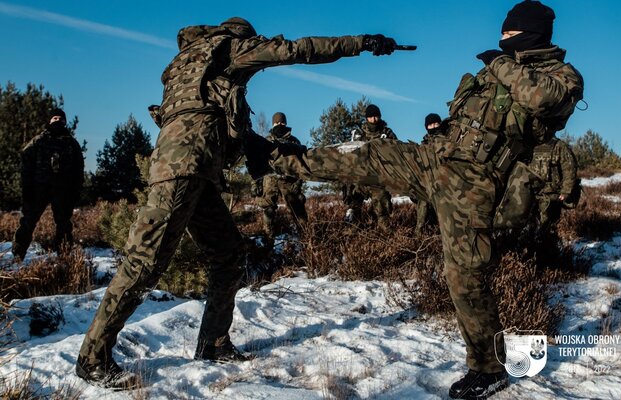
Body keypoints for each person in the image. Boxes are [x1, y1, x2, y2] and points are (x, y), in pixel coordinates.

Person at [270, 2, 583, 398]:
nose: (502, 40)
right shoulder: (494, 72)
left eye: (508, 34)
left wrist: (501, 63)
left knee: (465, 276)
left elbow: (541, 99)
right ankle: (279, 158)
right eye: (503, 35)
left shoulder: (561, 76)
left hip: (474, 181)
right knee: (369, 156)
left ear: (530, 34)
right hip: (434, 159)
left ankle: (489, 367)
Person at [75, 17, 398, 389]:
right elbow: (299, 50)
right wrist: (362, 41)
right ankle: (92, 357)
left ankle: (213, 343)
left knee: (228, 254)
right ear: (242, 36)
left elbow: (215, 117)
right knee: (144, 262)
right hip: (185, 169)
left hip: (195, 171)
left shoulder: (186, 62)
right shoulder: (231, 49)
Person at [12, 108, 84, 261]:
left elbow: (79, 169)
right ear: (50, 121)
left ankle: (63, 259)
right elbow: (26, 163)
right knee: (27, 222)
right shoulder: (38, 141)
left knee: (64, 225)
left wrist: (76, 190)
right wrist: (27, 188)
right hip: (38, 189)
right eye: (55, 118)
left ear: (65, 122)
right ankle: (17, 256)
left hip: (63, 190)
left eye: (61, 119)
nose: (57, 121)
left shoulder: (72, 144)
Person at [343, 104, 397, 231]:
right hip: (360, 178)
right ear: (366, 118)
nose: (374, 119)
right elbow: (349, 155)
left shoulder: (387, 133)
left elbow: (396, 153)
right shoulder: (358, 134)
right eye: (371, 117)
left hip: (379, 178)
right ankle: (351, 240)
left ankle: (386, 240)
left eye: (376, 116)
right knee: (353, 209)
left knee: (382, 212)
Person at [255, 112, 308, 240]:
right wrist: (255, 183)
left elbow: (302, 163)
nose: (280, 124)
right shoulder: (266, 140)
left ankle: (306, 239)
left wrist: (299, 182)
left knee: (298, 210)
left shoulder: (294, 141)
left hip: (289, 180)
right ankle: (268, 239)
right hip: (270, 180)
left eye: (282, 122)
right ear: (273, 123)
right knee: (268, 210)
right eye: (277, 122)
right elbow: (257, 163)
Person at [528, 135, 579, 236]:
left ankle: (548, 246)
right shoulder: (529, 143)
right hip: (530, 192)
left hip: (551, 195)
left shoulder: (558, 145)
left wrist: (566, 191)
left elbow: (569, 168)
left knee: (549, 225)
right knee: (530, 225)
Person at [413, 113, 443, 236]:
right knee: (423, 202)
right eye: (430, 124)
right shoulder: (423, 146)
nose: (434, 126)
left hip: (444, 181)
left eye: (436, 123)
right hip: (427, 182)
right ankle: (419, 233)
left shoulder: (447, 141)